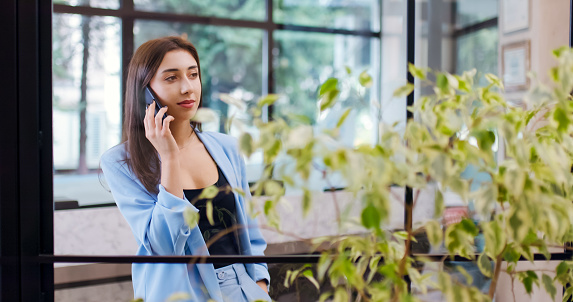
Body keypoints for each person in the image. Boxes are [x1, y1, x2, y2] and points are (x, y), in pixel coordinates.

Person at [100, 36, 271, 302]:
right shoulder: (120, 162)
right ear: (145, 91)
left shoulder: (227, 147)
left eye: (193, 75)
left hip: (242, 290)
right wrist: (169, 158)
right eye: (171, 78)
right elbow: (163, 245)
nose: (188, 88)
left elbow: (249, 230)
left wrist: (259, 285)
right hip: (179, 294)